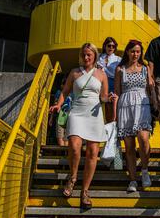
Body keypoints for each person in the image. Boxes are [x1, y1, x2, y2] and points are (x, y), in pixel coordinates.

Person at [49, 42, 118, 209]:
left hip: (94, 114)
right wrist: (58, 105)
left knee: (93, 152)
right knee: (74, 146)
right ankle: (72, 178)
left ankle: (85, 190)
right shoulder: (74, 72)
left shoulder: (101, 74)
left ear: (94, 56)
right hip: (77, 112)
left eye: (89, 54)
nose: (86, 57)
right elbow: (65, 92)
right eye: (84, 54)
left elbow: (103, 97)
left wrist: (109, 99)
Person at [114, 40, 152, 192]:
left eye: (138, 51)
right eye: (132, 51)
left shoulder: (145, 68)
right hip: (125, 106)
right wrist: (115, 115)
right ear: (127, 52)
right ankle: (133, 180)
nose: (135, 54)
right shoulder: (120, 69)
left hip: (142, 106)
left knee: (143, 139)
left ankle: (144, 170)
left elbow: (150, 89)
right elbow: (117, 92)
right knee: (129, 146)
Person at [98, 37, 121, 123]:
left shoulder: (118, 59)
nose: (111, 48)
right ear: (105, 46)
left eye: (113, 46)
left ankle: (110, 124)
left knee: (111, 106)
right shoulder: (99, 57)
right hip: (100, 82)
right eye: (109, 45)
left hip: (112, 82)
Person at [48, 78, 70, 146]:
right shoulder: (59, 92)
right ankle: (63, 152)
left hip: (70, 115)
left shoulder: (74, 92)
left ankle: (65, 154)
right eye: (64, 84)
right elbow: (55, 105)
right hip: (61, 115)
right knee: (60, 135)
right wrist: (51, 118)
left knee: (67, 136)